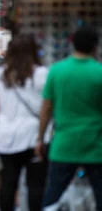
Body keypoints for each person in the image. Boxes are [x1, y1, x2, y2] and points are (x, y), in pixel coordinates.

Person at [39, 26, 102, 208]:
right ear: (95, 47)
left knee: (53, 194)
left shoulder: (57, 71)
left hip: (64, 145)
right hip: (95, 146)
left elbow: (46, 109)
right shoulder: (99, 73)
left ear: (72, 45)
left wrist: (39, 138)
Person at [0, 34, 50, 211]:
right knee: (36, 185)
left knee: (8, 183)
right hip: (34, 136)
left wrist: (8, 115)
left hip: (5, 136)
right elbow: (48, 104)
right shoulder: (41, 73)